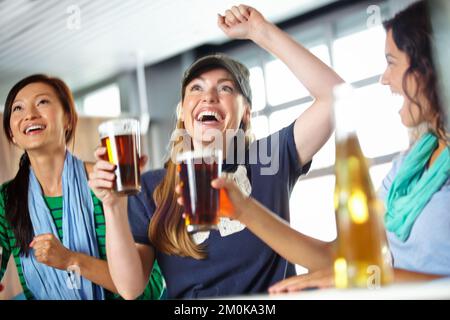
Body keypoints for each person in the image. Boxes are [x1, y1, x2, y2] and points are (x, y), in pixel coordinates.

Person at [89, 5, 343, 299]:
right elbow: (130, 288)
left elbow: (335, 97)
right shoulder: (150, 187)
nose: (208, 95)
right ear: (183, 111)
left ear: (245, 113)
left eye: (225, 89)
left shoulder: (269, 159)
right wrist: (113, 207)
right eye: (195, 89)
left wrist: (261, 32)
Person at [231, 0, 448, 293]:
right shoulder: (410, 165)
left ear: (432, 67)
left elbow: (365, 273)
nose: (385, 78)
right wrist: (241, 209)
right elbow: (343, 258)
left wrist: (361, 278)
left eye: (392, 62)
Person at [0, 74, 165, 300]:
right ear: (11, 133)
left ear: (68, 118)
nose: (29, 114)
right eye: (18, 108)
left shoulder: (108, 183)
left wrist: (70, 259)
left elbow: (147, 288)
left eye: (42, 102)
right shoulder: (6, 200)